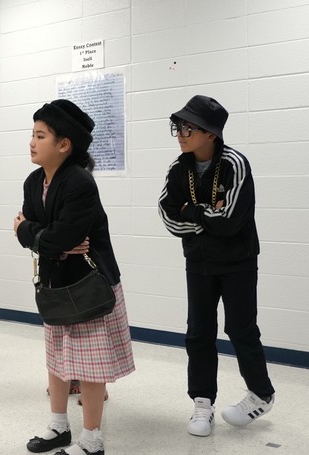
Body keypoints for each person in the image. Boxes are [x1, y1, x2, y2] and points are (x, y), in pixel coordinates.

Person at [14, 100, 134, 455]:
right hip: (56, 283)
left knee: (90, 365)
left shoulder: (80, 182)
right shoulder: (34, 181)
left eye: (40, 135)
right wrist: (40, 236)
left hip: (88, 286)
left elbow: (57, 237)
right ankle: (59, 426)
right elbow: (44, 238)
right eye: (32, 135)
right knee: (56, 358)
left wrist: (35, 233)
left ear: (64, 144)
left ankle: (92, 439)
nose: (32, 143)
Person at [158, 95, 275, 437]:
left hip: (238, 262)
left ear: (210, 133)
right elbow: (168, 216)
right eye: (177, 126)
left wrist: (191, 211)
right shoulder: (178, 169)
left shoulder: (235, 163)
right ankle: (202, 401)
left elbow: (233, 221)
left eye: (188, 127)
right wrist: (208, 215)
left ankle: (262, 393)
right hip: (198, 262)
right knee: (198, 333)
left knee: (240, 330)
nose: (180, 133)